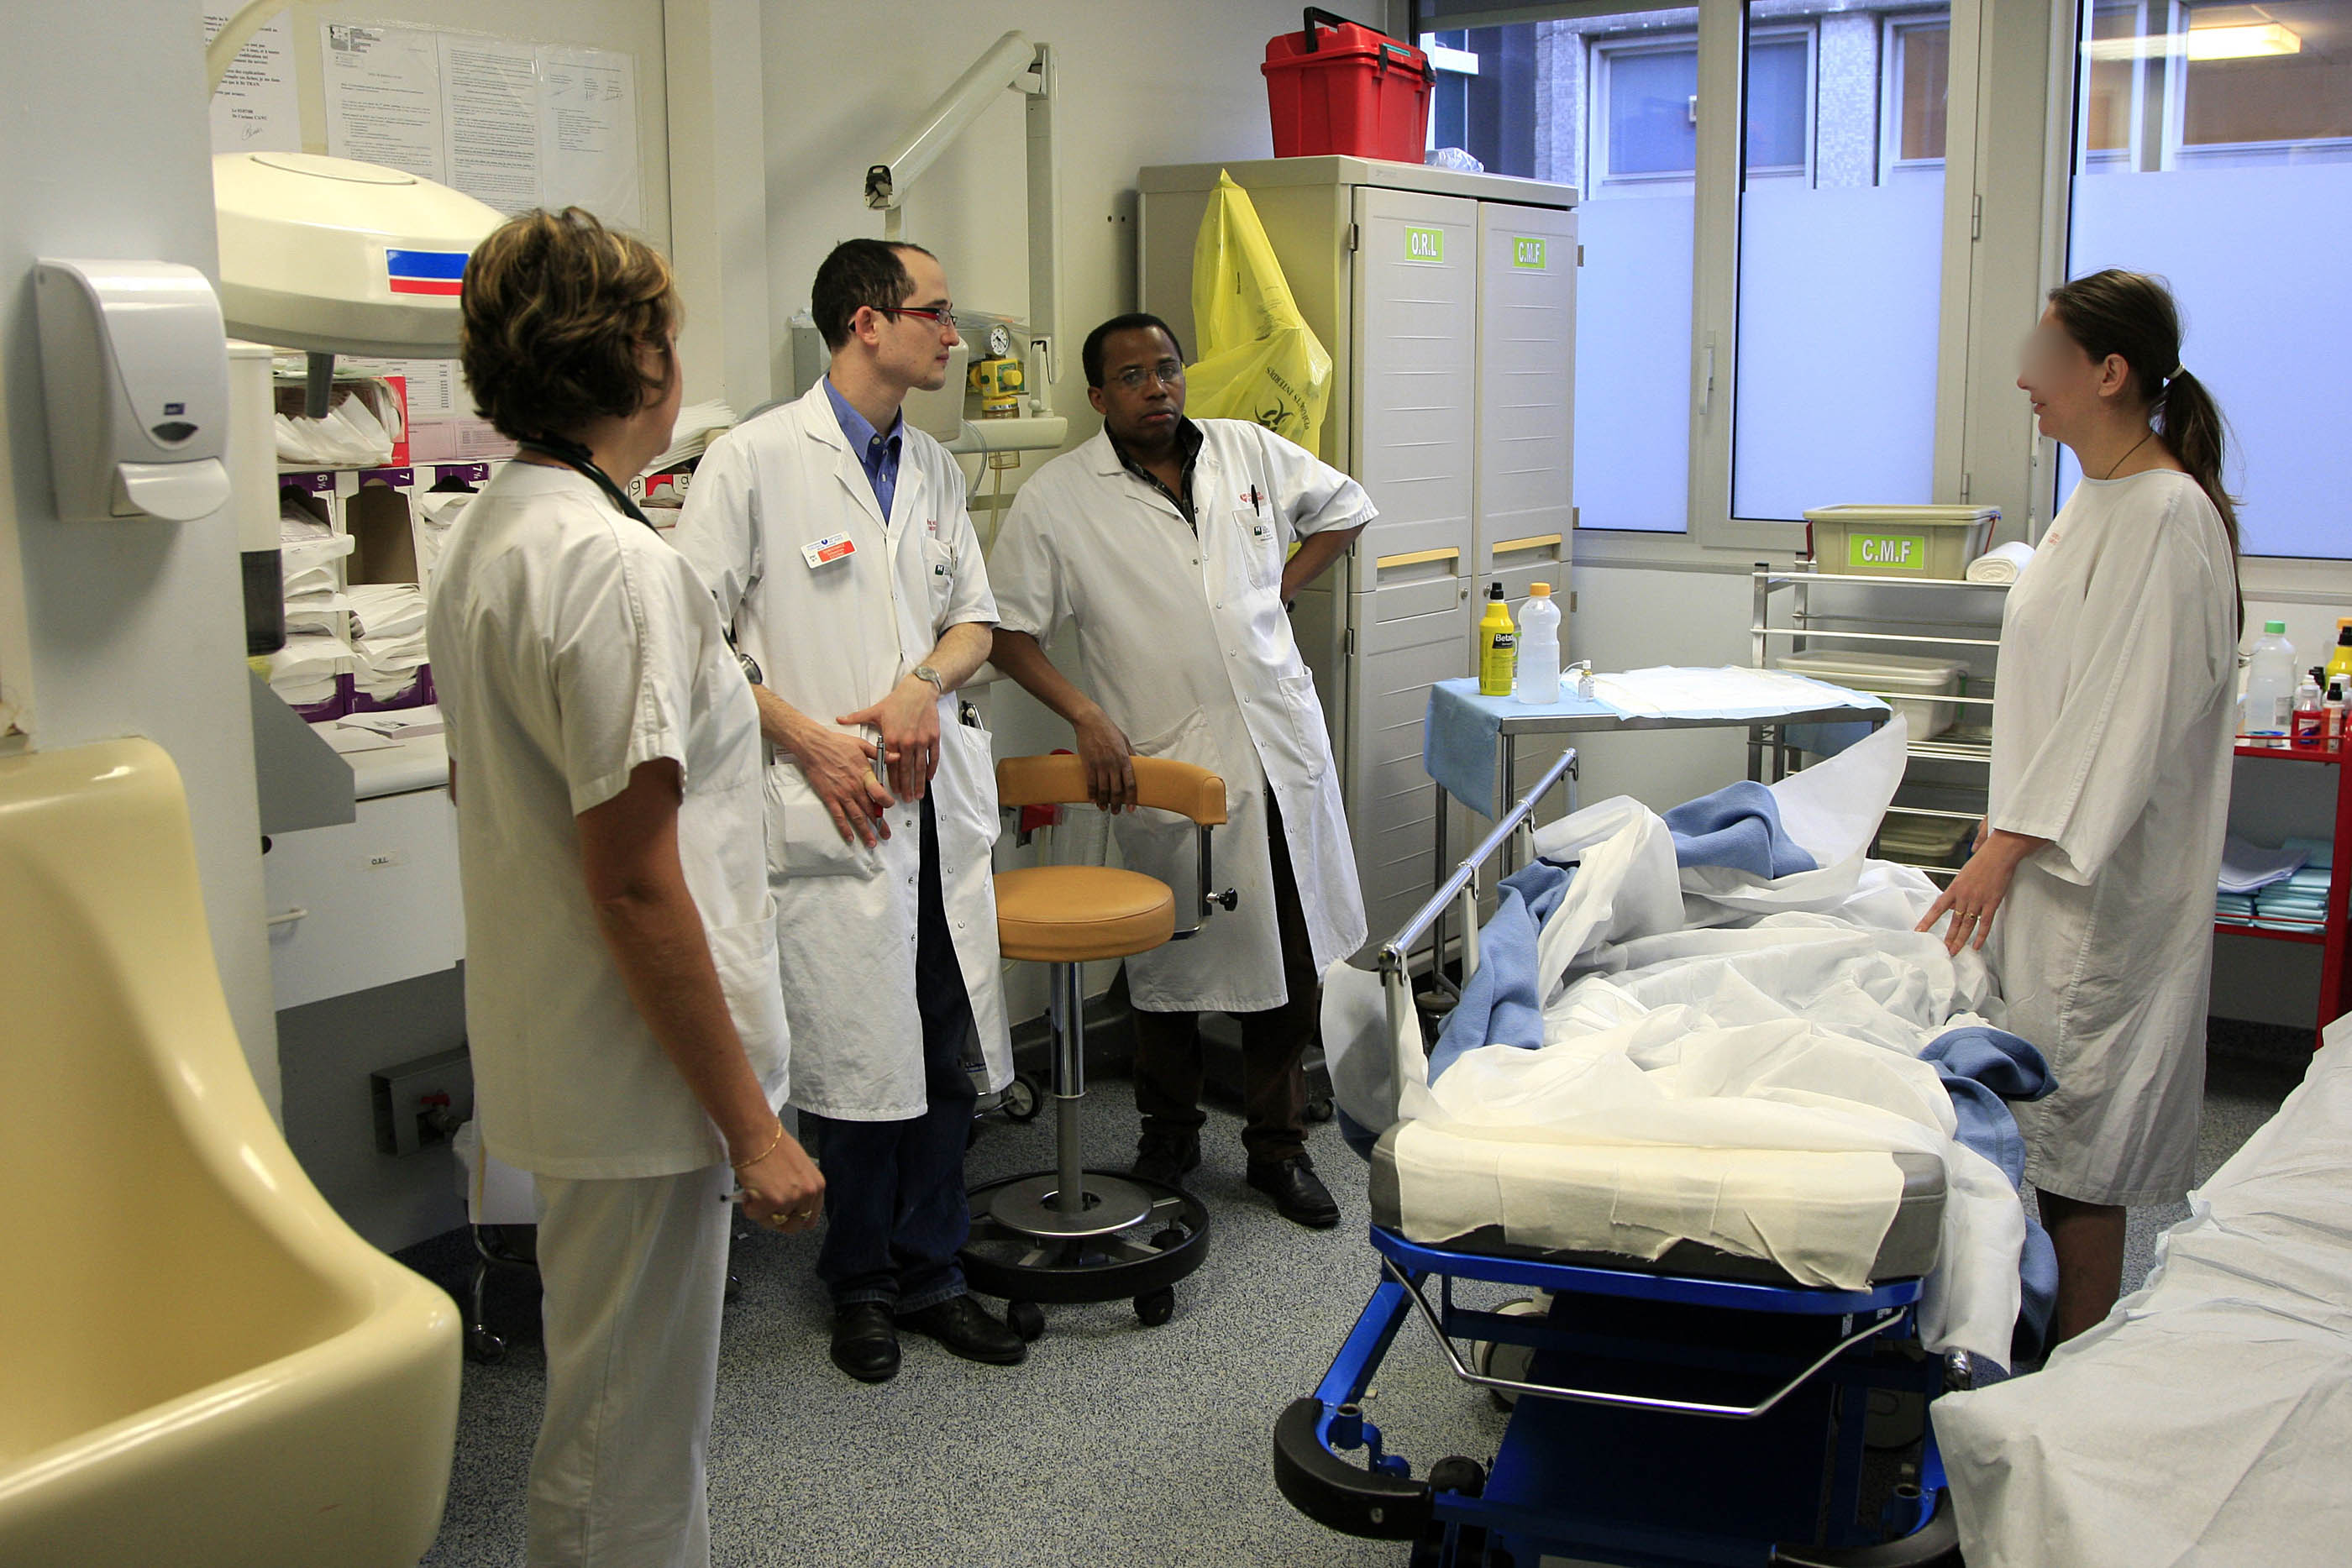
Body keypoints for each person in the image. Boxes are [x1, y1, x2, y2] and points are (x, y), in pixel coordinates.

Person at [432, 207, 823, 1567]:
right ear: (641, 357)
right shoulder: (616, 566)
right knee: (628, 1441)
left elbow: (487, 787)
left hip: (580, 1048)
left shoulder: (502, 528)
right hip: (643, 1075)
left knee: (624, 1416)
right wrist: (754, 1128)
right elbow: (638, 885)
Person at [670, 239, 1021, 1383]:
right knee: (860, 1056)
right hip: (834, 806)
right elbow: (693, 641)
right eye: (936, 312)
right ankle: (861, 1282)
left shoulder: (933, 467)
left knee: (943, 1051)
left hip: (933, 802)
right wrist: (809, 738)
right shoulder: (753, 461)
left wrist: (923, 683)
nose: (955, 335)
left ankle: (937, 1269)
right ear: (867, 321)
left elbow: (975, 621)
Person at [988, 312, 1375, 1229]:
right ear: (1097, 395)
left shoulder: (1245, 451)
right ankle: (1168, 1138)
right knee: (1170, 957)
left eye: (1166, 368)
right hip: (1164, 760)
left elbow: (1346, 508)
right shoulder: (1058, 498)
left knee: (1287, 958)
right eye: (1131, 376)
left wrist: (1280, 588)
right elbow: (1005, 630)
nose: (1155, 387)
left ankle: (1279, 1149)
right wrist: (1085, 716)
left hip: (1277, 748)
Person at [1917, 269, 2240, 1348]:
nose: (2024, 377)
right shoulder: (2096, 499)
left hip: (2103, 885)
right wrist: (1999, 827)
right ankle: (2040, 1346)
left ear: (2108, 373)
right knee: (2051, 1124)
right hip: (2049, 866)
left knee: (2085, 1145)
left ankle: (2075, 1376)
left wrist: (2010, 840)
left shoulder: (2165, 514)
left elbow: (2123, 715)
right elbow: (2062, 694)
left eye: (2044, 358)